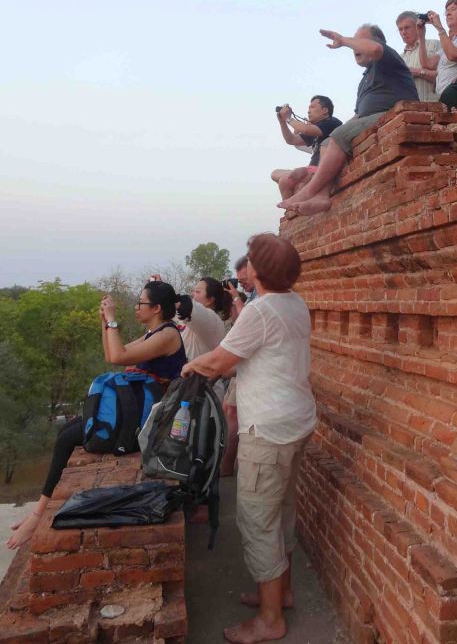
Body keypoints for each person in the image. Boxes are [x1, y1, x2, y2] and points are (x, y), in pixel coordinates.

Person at [181, 233, 316, 644]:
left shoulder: (260, 311)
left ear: (257, 272)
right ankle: (280, 592)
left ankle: (270, 619)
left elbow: (221, 361)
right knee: (282, 510)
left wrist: (189, 369)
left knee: (258, 519)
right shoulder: (295, 303)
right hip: (296, 421)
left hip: (268, 430)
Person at [7, 281, 186, 550]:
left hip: (151, 422)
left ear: (157, 308)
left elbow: (117, 356)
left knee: (69, 440)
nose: (137, 308)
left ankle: (38, 515)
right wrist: (105, 322)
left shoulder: (168, 335)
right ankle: (43, 508)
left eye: (141, 303)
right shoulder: (154, 333)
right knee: (66, 432)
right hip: (139, 412)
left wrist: (113, 320)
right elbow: (112, 354)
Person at [277, 24, 419, 216]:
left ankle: (308, 192)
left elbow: (375, 49)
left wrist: (343, 40)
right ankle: (321, 195)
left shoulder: (387, 58)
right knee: (330, 140)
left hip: (392, 113)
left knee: (337, 135)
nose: (355, 47)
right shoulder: (366, 78)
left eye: (360, 41)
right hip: (370, 117)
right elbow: (358, 115)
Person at [218, 255, 257, 477]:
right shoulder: (254, 298)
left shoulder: (258, 303)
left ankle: (226, 466)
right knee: (229, 410)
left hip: (244, 369)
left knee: (232, 412)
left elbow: (246, 324)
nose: (241, 284)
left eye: (243, 280)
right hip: (239, 369)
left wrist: (235, 298)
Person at [271, 96, 342, 200]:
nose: (308, 111)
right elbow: (291, 140)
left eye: (312, 107)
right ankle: (292, 212)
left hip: (320, 169)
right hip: (310, 169)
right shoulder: (314, 129)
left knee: (284, 181)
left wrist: (288, 118)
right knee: (275, 174)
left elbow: (305, 129)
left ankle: (304, 175)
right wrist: (282, 123)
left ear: (325, 110)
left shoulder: (332, 122)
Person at [416, 0, 457, 98]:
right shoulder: (451, 41)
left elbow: (454, 55)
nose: (448, 13)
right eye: (447, 11)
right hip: (445, 95)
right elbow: (427, 64)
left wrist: (440, 29)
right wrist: (421, 37)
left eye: (453, 9)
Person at [396, 10, 441, 102]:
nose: (403, 32)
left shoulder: (435, 44)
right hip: (408, 112)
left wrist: (417, 72)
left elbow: (445, 76)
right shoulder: (398, 59)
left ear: (417, 26)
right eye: (400, 29)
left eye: (407, 27)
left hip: (434, 108)